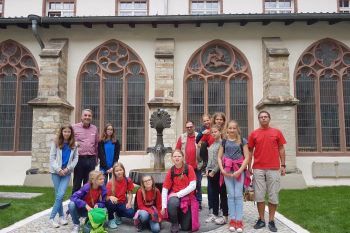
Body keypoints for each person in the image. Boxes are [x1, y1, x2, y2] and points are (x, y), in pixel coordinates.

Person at [248, 111, 286, 232]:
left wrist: (283, 165)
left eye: (265, 117)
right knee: (259, 195)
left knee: (273, 195)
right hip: (258, 168)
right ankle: (261, 219)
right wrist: (249, 166)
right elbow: (249, 151)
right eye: (261, 117)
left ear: (269, 119)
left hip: (274, 168)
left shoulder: (277, 132)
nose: (263, 119)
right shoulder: (254, 134)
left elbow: (281, 148)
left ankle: (271, 220)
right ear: (258, 119)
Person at [218, 120, 250, 232]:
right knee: (231, 195)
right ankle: (232, 220)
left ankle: (239, 221)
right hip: (227, 171)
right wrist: (222, 170)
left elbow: (247, 157)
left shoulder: (242, 141)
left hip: (238, 171)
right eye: (230, 128)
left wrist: (240, 170)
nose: (232, 130)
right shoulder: (224, 141)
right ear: (227, 129)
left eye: (234, 128)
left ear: (237, 129)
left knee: (238, 195)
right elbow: (219, 157)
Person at [161, 150, 199, 233]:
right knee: (172, 202)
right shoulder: (171, 171)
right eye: (175, 156)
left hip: (187, 197)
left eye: (179, 156)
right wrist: (163, 206)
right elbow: (165, 189)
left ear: (183, 157)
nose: (177, 158)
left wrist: (178, 194)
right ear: (172, 158)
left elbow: (193, 186)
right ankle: (174, 223)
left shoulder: (189, 168)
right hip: (175, 196)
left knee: (186, 227)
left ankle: (181, 217)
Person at [49, 124, 79, 228]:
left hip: (66, 173)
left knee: (60, 194)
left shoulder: (74, 144)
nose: (66, 133)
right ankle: (61, 216)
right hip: (56, 173)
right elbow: (52, 158)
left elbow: (76, 159)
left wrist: (67, 169)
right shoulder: (56, 143)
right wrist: (59, 169)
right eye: (65, 131)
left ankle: (51, 218)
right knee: (59, 195)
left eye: (68, 132)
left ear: (71, 133)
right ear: (62, 132)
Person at [175, 120, 202, 209]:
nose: (189, 128)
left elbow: (204, 149)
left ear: (194, 127)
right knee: (186, 184)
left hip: (197, 166)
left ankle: (198, 202)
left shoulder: (199, 136)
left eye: (191, 126)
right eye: (187, 127)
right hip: (185, 166)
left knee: (197, 184)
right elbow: (177, 150)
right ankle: (187, 201)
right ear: (186, 128)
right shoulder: (182, 137)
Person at [205, 124, 228, 226]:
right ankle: (214, 213)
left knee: (222, 193)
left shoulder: (222, 144)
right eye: (212, 132)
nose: (213, 133)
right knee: (214, 194)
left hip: (218, 172)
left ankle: (224, 215)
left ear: (220, 132)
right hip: (210, 172)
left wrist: (214, 171)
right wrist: (207, 169)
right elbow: (210, 159)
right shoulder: (213, 144)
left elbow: (222, 160)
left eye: (215, 132)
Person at [72, 109, 99, 193]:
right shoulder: (74, 127)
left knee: (89, 183)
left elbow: (96, 144)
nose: (87, 117)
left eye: (89, 116)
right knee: (77, 182)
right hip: (79, 158)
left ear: (91, 117)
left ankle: (86, 203)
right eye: (85, 115)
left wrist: (96, 158)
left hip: (91, 159)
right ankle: (74, 204)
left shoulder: (94, 128)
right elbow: (70, 143)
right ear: (81, 117)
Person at [105, 162, 135, 229]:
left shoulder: (128, 180)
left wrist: (129, 203)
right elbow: (105, 198)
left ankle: (118, 214)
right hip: (113, 203)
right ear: (114, 172)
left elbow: (130, 193)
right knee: (110, 203)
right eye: (116, 171)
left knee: (131, 213)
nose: (119, 172)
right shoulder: (110, 183)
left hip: (122, 203)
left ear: (123, 170)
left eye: (120, 170)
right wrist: (110, 197)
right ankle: (111, 219)